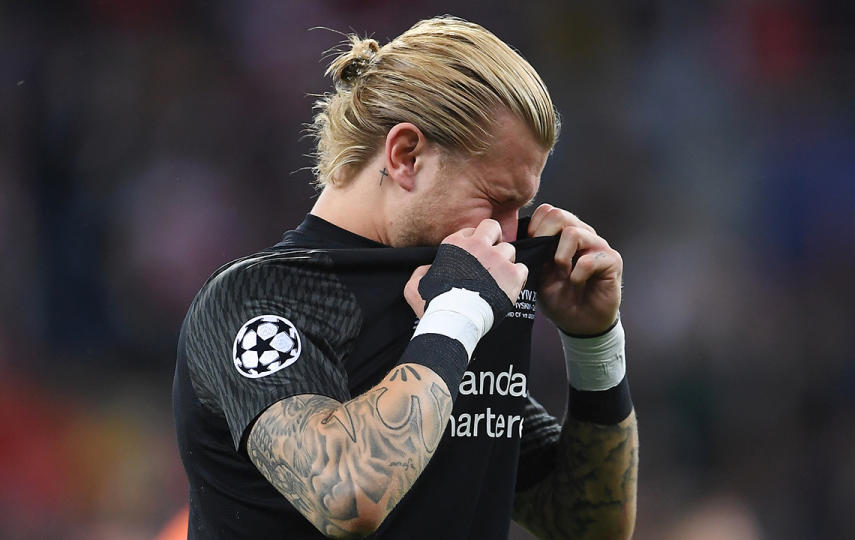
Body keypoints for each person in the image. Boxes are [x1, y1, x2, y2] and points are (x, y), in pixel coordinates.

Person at [173, 16, 638, 539]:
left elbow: (591, 525)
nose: (508, 235)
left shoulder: (461, 299)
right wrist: (455, 317)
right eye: (496, 201)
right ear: (405, 156)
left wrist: (595, 342)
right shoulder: (255, 299)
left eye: (520, 208)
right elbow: (348, 497)